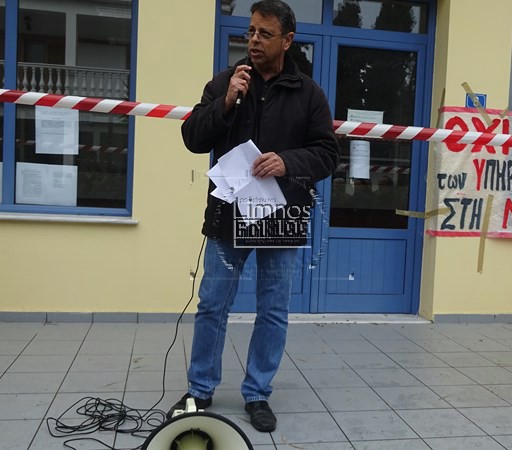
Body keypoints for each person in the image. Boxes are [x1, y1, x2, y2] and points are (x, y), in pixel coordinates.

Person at [171, 0, 339, 433]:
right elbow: (192, 137)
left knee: (273, 310)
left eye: (265, 34)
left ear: (287, 40)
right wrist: (225, 104)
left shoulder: (309, 93)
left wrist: (287, 161)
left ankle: (257, 393)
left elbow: (327, 154)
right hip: (228, 215)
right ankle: (200, 389)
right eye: (250, 32)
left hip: (280, 216)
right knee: (212, 304)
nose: (254, 41)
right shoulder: (225, 82)